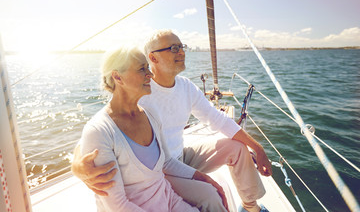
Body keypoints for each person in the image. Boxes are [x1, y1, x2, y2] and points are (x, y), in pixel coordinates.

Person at [72, 30, 272, 212]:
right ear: (153, 58)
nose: (182, 53)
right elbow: (104, 129)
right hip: (161, 170)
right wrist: (76, 165)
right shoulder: (139, 91)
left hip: (178, 157)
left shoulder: (185, 87)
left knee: (237, 147)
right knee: (210, 196)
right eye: (174, 48)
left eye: (182, 47)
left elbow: (217, 119)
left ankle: (250, 207)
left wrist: (258, 148)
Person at [78, 46, 224, 211]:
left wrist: (204, 178)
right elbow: (118, 206)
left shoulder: (150, 114)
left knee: (213, 195)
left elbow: (167, 163)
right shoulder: (99, 131)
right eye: (142, 69)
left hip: (168, 202)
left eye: (147, 67)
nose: (151, 74)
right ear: (118, 77)